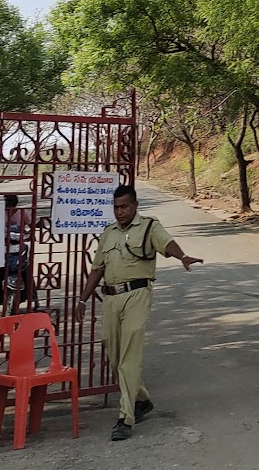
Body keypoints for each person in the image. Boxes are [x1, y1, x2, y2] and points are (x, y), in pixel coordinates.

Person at [76, 185, 202, 441]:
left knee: (129, 356)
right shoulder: (108, 233)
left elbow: (167, 244)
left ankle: (126, 417)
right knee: (114, 356)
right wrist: (82, 299)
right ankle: (142, 399)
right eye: (116, 207)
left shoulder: (148, 226)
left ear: (134, 206)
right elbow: (97, 269)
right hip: (111, 298)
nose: (119, 212)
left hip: (137, 294)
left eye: (124, 207)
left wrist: (183, 257)